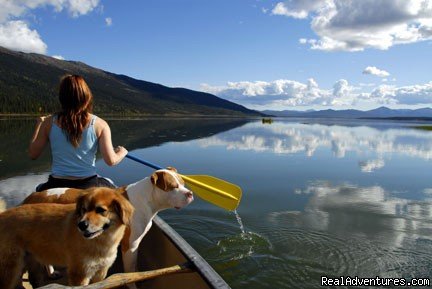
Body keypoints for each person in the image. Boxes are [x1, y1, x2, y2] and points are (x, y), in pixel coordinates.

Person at [29, 74, 128, 191]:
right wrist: (122, 152)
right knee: (113, 188)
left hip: (56, 183)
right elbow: (111, 161)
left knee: (39, 188)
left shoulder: (49, 122)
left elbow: (33, 154)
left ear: (62, 97)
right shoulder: (100, 124)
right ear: (86, 96)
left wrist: (39, 124)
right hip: (88, 184)